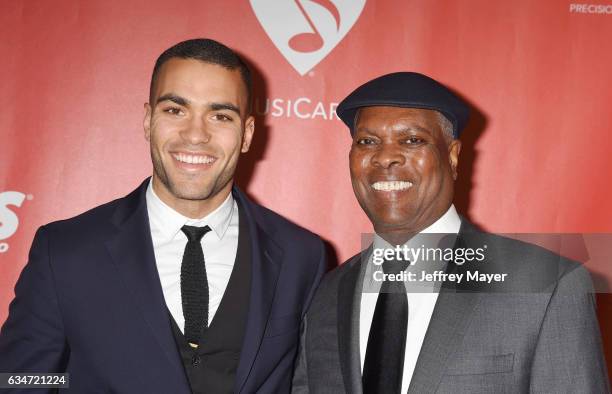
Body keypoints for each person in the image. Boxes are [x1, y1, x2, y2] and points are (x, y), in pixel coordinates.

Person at [0, 38, 326, 393]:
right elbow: (19, 380)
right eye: (175, 110)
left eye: (220, 116)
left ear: (246, 134)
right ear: (147, 120)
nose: (196, 135)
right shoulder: (65, 250)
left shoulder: (301, 255)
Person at [292, 72, 610, 393]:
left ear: (453, 156)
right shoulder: (325, 295)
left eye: (412, 140)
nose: (386, 156)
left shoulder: (546, 285)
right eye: (367, 142)